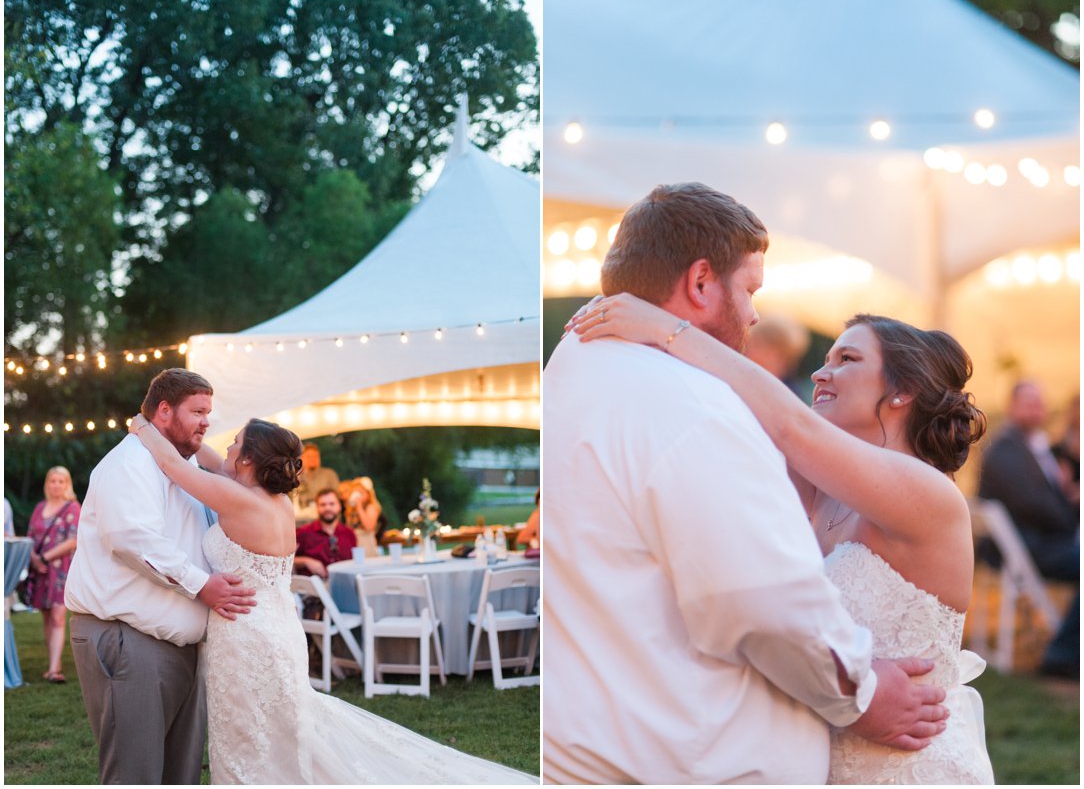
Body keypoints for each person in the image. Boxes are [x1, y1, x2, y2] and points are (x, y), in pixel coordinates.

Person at [544, 183, 952, 785]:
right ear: (702, 283)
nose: (757, 314)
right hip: (689, 762)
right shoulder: (693, 409)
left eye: (847, 360)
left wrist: (668, 330)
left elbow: (791, 433)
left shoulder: (573, 367)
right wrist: (861, 693)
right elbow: (763, 601)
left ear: (901, 393)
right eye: (750, 289)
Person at [128, 412, 536, 784]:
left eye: (235, 442)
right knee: (279, 732)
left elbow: (173, 466)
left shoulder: (237, 499)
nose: (228, 448)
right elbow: (214, 462)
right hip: (276, 628)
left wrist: (144, 424)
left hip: (248, 635)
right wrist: (190, 432)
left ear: (249, 460)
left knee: (252, 733)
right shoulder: (275, 501)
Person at [64, 368, 256, 784]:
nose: (207, 421)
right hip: (128, 639)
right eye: (198, 411)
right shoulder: (128, 464)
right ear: (164, 411)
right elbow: (134, 541)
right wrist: (203, 586)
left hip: (179, 647)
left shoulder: (182, 466)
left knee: (179, 774)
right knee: (136, 773)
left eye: (209, 411)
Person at [978, 380, 1079, 678]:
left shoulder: (1030, 446)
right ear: (1011, 406)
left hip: (1034, 542)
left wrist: (1064, 493)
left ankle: (1065, 650)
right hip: (1029, 547)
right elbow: (1034, 505)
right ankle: (1061, 656)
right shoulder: (1005, 448)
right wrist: (1071, 516)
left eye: (1039, 402)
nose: (1036, 408)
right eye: (1028, 401)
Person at [24, 466, 81, 683]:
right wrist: (35, 560)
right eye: (52, 481)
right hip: (40, 570)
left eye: (61, 481)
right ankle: (51, 663)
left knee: (58, 616)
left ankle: (55, 669)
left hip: (60, 569)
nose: (56, 485)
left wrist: (45, 558)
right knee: (47, 616)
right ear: (47, 484)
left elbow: (73, 539)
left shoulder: (73, 508)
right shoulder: (40, 507)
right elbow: (30, 535)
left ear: (67, 484)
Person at [294, 489, 356, 577]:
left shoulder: (349, 534)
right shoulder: (303, 533)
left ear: (340, 506)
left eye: (332, 504)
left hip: (343, 585)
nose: (327, 508)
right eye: (323, 504)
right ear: (317, 507)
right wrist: (305, 561)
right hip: (313, 587)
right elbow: (286, 560)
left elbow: (355, 563)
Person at [293, 443, 341, 520]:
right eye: (309, 456)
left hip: (325, 516)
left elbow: (337, 497)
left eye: (315, 456)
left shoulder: (329, 474)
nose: (313, 459)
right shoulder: (295, 477)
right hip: (301, 518)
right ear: (302, 458)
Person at [340, 476, 383, 557]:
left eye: (361, 493)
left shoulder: (371, 507)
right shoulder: (351, 509)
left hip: (366, 543)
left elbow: (369, 527)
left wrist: (359, 508)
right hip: (354, 543)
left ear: (368, 494)